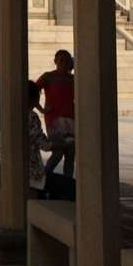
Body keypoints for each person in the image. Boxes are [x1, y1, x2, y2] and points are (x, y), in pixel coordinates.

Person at [28, 80, 75, 200]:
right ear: (33, 99)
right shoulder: (31, 116)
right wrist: (65, 145)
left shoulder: (7, 114)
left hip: (10, 171)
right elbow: (44, 144)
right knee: (72, 187)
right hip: (31, 175)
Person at [36, 49, 75, 177]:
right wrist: (41, 109)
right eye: (61, 60)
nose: (64, 63)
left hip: (72, 120)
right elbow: (32, 91)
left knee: (70, 152)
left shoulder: (73, 79)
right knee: (58, 151)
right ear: (55, 61)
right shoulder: (48, 77)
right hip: (54, 121)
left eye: (67, 60)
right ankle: (45, 177)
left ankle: (68, 182)